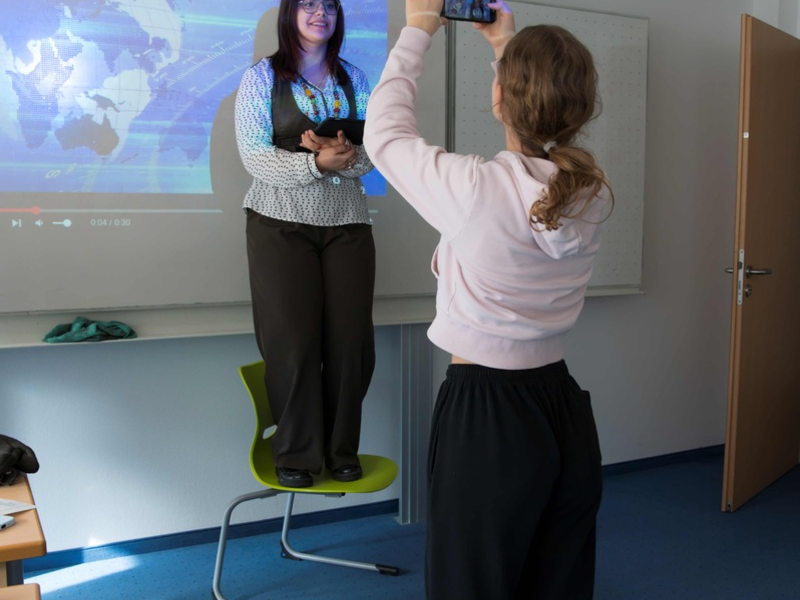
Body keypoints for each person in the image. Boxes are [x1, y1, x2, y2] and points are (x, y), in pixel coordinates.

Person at [364, 1, 613, 598]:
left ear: (499, 98)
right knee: (555, 581)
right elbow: (536, 128)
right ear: (579, 108)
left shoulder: (474, 188)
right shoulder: (591, 194)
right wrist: (507, 45)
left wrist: (418, 30)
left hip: (488, 419)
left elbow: (385, 133)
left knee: (470, 585)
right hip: (563, 413)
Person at [235, 0, 376, 489]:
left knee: (350, 343)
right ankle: (295, 453)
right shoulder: (261, 78)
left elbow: (374, 153)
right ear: (290, 13)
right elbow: (254, 154)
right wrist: (315, 165)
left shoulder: (356, 78)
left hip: (348, 223)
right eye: (310, 5)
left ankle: (341, 451)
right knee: (293, 344)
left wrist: (344, 156)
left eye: (330, 6)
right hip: (279, 224)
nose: (321, 13)